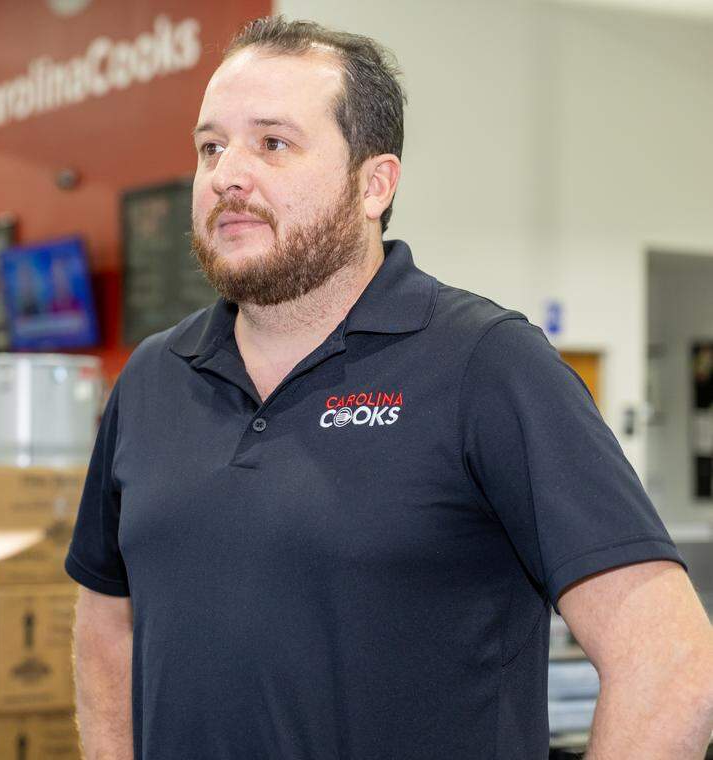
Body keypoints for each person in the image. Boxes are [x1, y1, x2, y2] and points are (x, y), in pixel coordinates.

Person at [65, 16, 713, 760]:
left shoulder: (487, 365)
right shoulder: (152, 379)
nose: (227, 176)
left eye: (272, 143)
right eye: (211, 147)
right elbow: (106, 619)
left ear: (375, 184)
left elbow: (671, 661)